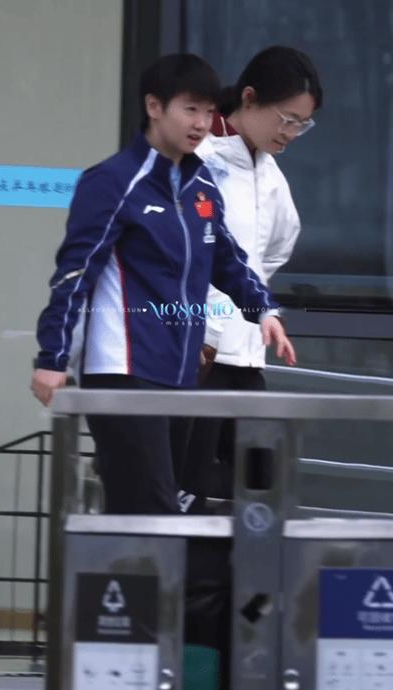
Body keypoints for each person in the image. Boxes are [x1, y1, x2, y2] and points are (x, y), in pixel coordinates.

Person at [30, 53, 296, 515]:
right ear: (154, 107)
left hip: (182, 376)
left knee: (156, 519)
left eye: (208, 111)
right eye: (190, 109)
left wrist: (263, 310)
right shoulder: (113, 181)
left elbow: (226, 258)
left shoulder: (201, 186)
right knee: (154, 516)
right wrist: (52, 358)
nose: (202, 123)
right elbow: (74, 275)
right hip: (124, 372)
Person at [179, 46, 322, 507]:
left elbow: (277, 247)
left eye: (303, 124)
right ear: (249, 97)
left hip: (247, 357)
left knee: (258, 493)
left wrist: (248, 298)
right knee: (190, 491)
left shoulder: (271, 174)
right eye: (287, 119)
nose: (292, 133)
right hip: (197, 353)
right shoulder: (199, 155)